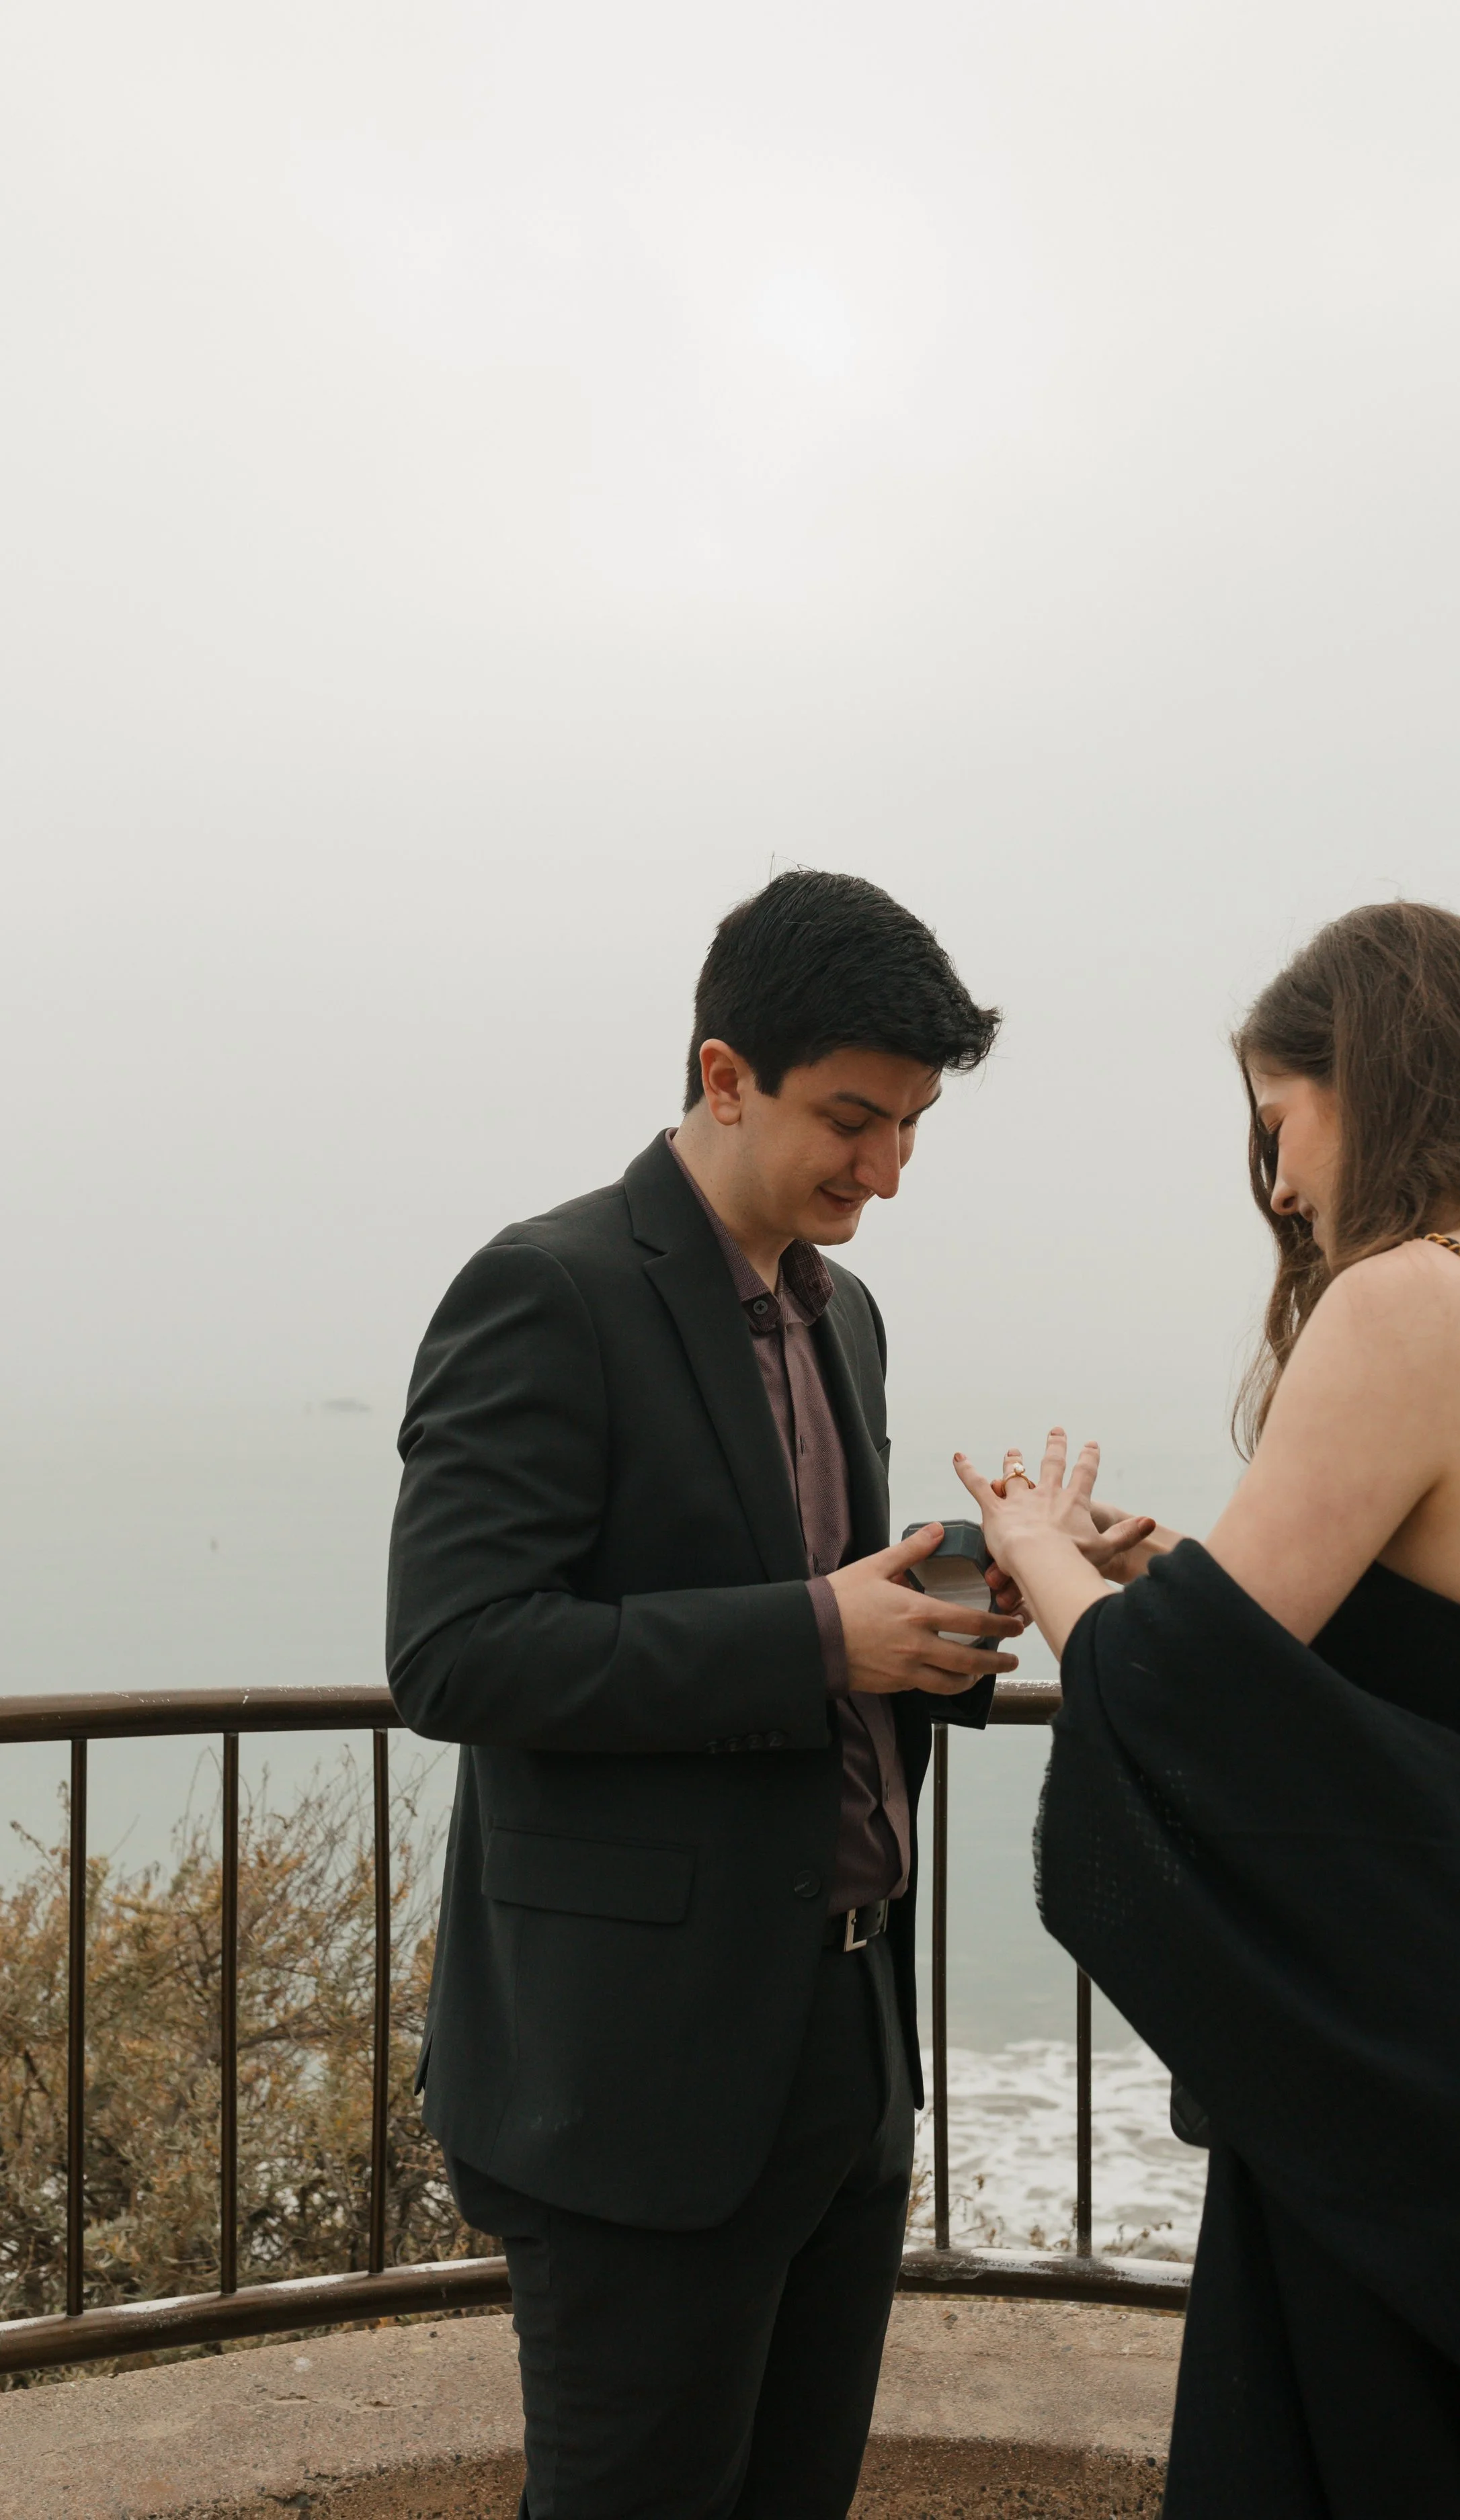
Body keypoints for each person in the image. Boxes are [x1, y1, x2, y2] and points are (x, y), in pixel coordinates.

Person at [957, 902, 1460, 2519]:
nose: (1277, 1186)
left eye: (1277, 1123)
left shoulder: (1418, 1297)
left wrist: (1032, 1547)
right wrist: (1173, 1580)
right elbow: (1452, 1661)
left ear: (1377, 1080)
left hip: (1405, 2065)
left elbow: (1170, 1693)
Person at [387, 869, 1018, 2520]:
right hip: (636, 2086)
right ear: (724, 1076)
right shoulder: (548, 1288)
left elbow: (804, 1595)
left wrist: (964, 1598)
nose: (885, 1171)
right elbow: (457, 1650)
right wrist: (819, 1634)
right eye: (851, 1120)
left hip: (845, 2054)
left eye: (910, 1129)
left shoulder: (843, 1315)